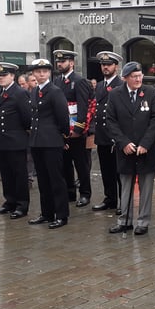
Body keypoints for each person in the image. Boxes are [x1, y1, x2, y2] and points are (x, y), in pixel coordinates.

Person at [106, 62, 155, 235]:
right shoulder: (115, 94)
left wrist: (145, 143)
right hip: (125, 149)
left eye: (140, 76)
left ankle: (143, 222)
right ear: (125, 78)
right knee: (125, 185)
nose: (138, 79)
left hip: (146, 149)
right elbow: (111, 121)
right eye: (134, 76)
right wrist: (123, 143)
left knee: (146, 187)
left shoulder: (151, 93)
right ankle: (125, 220)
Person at [27, 58, 71, 229]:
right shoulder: (34, 91)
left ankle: (61, 215)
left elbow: (63, 117)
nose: (41, 74)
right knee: (43, 180)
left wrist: (64, 137)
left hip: (52, 141)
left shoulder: (55, 91)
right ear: (34, 74)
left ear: (49, 73)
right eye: (38, 72)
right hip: (37, 141)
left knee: (56, 179)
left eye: (45, 71)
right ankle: (47, 213)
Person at [0, 62, 32, 219]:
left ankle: (21, 204)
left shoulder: (19, 93)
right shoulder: (2, 92)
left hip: (15, 140)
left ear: (12, 76)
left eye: (4, 75)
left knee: (19, 174)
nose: (1, 78)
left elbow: (27, 118)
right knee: (6, 174)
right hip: (2, 140)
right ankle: (10, 201)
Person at [53, 49, 94, 206]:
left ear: (71, 63)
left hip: (76, 130)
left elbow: (83, 107)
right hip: (62, 129)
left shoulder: (79, 81)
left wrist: (78, 129)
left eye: (63, 61)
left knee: (81, 164)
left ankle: (85, 193)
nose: (60, 64)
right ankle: (69, 192)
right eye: (58, 62)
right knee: (65, 164)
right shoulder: (56, 81)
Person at [91, 51, 124, 213]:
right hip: (102, 134)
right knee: (106, 170)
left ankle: (122, 201)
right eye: (103, 65)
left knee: (119, 171)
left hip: (114, 136)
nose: (105, 67)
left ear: (116, 67)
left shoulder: (120, 85)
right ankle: (109, 198)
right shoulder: (100, 85)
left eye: (109, 65)